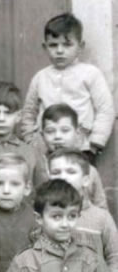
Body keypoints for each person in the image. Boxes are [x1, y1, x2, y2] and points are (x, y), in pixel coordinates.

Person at [21, 13, 114, 161]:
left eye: (67, 44)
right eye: (53, 45)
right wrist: (31, 141)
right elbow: (28, 113)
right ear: (45, 47)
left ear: (80, 46)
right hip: (46, 150)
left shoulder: (91, 74)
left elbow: (105, 110)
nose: (59, 50)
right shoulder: (40, 78)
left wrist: (95, 144)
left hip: (81, 148)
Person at [46, 149, 118, 272]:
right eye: (56, 173)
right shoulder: (41, 217)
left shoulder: (101, 218)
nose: (63, 177)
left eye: (71, 172)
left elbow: (114, 257)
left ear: (85, 180)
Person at [40, 104, 107, 209]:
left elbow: (101, 207)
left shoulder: (89, 171)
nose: (58, 136)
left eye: (65, 130)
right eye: (50, 131)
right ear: (42, 135)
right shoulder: (38, 167)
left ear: (77, 133)